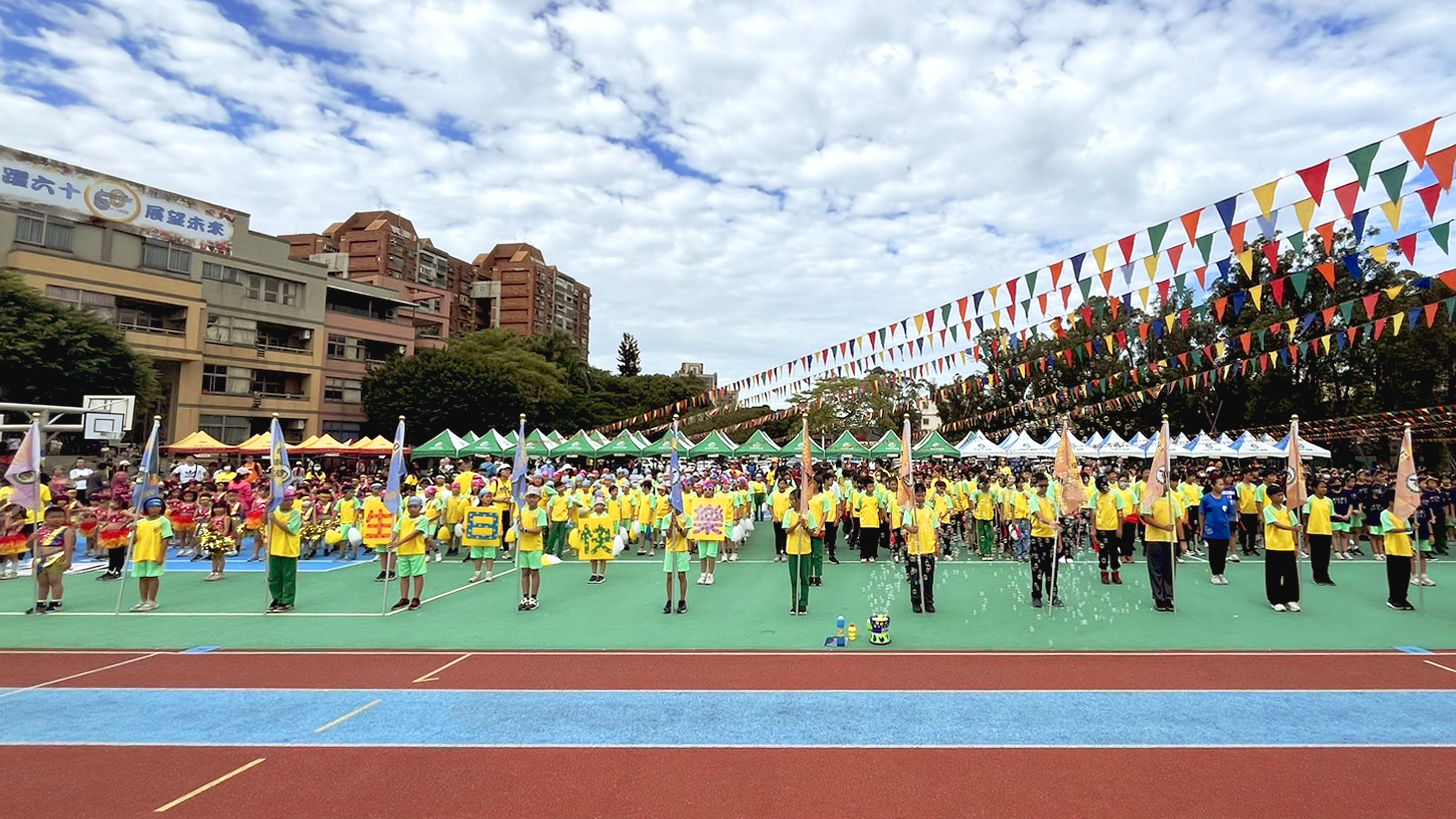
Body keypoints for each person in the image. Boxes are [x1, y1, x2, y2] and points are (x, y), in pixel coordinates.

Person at [388, 495, 433, 611]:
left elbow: (416, 533)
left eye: (415, 506)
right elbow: (396, 530)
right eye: (410, 506)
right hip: (403, 552)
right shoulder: (403, 519)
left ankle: (416, 598)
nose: (412, 509)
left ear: (420, 507)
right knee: (404, 576)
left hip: (416, 551)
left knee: (417, 575)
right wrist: (391, 541)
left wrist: (398, 542)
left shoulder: (423, 520)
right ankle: (404, 598)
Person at [1262, 486, 1302, 612]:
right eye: (1278, 495)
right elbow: (1276, 524)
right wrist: (1292, 529)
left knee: (1290, 574)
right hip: (1274, 546)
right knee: (1274, 574)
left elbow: (1295, 525)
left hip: (1288, 546)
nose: (1281, 497)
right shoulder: (1268, 510)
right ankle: (1275, 600)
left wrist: (1296, 544)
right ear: (1270, 496)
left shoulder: (1288, 510)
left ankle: (1290, 599)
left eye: (1282, 495)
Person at [901, 482, 939, 614]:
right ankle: (916, 602)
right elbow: (905, 524)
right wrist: (912, 529)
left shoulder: (930, 510)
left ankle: (929, 602)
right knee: (915, 579)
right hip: (914, 550)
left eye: (923, 495)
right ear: (913, 496)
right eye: (918, 496)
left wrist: (936, 545)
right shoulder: (910, 510)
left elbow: (935, 528)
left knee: (929, 579)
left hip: (928, 549)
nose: (921, 498)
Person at [129, 497, 172, 612]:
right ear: (147, 508)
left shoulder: (163, 521)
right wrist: (132, 531)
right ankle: (143, 600)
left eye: (158, 506)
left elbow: (166, 539)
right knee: (142, 577)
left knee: (152, 576)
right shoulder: (139, 523)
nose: (155, 509)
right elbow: (133, 541)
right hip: (141, 553)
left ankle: (151, 600)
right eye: (152, 506)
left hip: (154, 553)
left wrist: (161, 555)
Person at [30, 505, 75, 613]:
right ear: (45, 518)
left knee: (55, 581)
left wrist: (68, 561)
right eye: (53, 517)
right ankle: (41, 602)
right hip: (40, 559)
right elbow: (30, 546)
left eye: (60, 517)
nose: (56, 519)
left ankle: (56, 602)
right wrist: (31, 539)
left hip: (57, 557)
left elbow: (68, 547)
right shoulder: (39, 530)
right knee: (42, 582)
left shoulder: (66, 531)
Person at [1026, 474, 1062, 608]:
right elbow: (1039, 515)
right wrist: (1051, 522)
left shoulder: (1051, 500)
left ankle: (1053, 596)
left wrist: (1059, 540)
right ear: (1036, 485)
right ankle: (1036, 596)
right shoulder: (1033, 499)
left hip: (1051, 538)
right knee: (1037, 570)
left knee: (1052, 570)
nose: (1044, 488)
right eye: (1041, 486)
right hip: (1037, 538)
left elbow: (1057, 521)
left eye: (1046, 485)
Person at [1142, 485, 1179, 612]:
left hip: (1170, 539)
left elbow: (1178, 520)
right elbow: (1147, 518)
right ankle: (1159, 598)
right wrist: (1163, 527)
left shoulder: (1172, 499)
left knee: (1169, 569)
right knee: (1156, 569)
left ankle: (1168, 597)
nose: (1167, 485)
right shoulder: (1148, 499)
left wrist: (1183, 540)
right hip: (1154, 539)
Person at [267, 489, 303, 613]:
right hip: (274, 548)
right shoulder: (273, 511)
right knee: (273, 577)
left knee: (288, 577)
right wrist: (267, 508)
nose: (289, 502)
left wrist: (274, 520)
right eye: (286, 500)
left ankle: (287, 601)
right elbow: (263, 522)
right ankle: (276, 598)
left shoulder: (295, 514)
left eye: (291, 500)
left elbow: (290, 529)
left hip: (289, 548)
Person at [782, 487, 816, 615]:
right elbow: (787, 530)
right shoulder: (788, 514)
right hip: (792, 550)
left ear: (798, 500)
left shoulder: (808, 514)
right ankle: (794, 603)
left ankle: (803, 604)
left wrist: (805, 525)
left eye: (793, 499)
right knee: (794, 578)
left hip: (805, 550)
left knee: (804, 578)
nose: (791, 502)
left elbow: (812, 532)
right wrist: (797, 523)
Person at [1199, 475, 1235, 585]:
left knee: (1223, 552)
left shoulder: (1225, 499)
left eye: (1223, 484)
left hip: (1224, 529)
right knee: (1214, 552)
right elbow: (1201, 514)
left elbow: (1230, 513)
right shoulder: (1206, 499)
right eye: (1219, 484)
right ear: (1213, 485)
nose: (1222, 486)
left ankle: (1221, 574)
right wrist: (1202, 528)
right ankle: (1215, 574)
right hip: (1211, 529)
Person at [1380, 501, 1416, 610]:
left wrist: (1412, 547)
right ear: (1390, 502)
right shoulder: (1385, 514)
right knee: (1395, 576)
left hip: (1404, 549)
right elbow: (1390, 529)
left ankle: (1402, 599)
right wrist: (1409, 529)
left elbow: (1408, 534)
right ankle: (1393, 599)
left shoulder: (1402, 515)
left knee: (1405, 576)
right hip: (1393, 549)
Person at [1090, 475, 1125, 585]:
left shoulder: (1115, 494)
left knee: (1115, 552)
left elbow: (1120, 512)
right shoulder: (1095, 496)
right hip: (1101, 528)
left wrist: (1120, 528)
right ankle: (1104, 573)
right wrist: (1093, 529)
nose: (1103, 489)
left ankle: (1115, 573)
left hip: (1113, 528)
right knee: (1103, 552)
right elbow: (1093, 513)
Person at [517, 487, 547, 611]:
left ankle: (534, 597)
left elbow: (538, 530)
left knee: (534, 572)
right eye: (529, 496)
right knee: (525, 572)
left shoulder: (541, 512)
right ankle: (525, 597)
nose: (531, 499)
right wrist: (518, 525)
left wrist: (524, 530)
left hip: (535, 546)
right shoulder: (522, 511)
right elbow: (517, 526)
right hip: (523, 546)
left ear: (539, 499)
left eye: (534, 497)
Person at [577, 494, 616, 584]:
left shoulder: (606, 516)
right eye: (597, 505)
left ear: (603, 506)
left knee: (603, 557)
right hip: (593, 539)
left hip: (603, 539)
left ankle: (601, 574)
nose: (599, 506)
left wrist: (612, 535)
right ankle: (594, 573)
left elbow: (610, 527)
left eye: (601, 505)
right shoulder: (591, 516)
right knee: (593, 557)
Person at [1304, 481, 1335, 586]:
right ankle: (1317, 576)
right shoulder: (1309, 500)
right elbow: (1306, 516)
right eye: (1321, 487)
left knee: (1325, 556)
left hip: (1326, 531)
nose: (1324, 489)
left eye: (1325, 487)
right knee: (1316, 555)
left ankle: (1325, 576)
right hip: (1314, 530)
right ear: (1315, 488)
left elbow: (1330, 515)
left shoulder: (1329, 501)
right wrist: (1305, 531)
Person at [662, 504, 691, 614]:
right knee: (670, 576)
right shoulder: (666, 518)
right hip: (670, 549)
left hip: (682, 549)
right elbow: (668, 536)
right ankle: (669, 601)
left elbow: (684, 535)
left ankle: (682, 601)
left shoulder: (687, 518)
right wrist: (671, 524)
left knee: (681, 575)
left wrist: (678, 526)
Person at [198, 498, 235, 581]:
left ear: (225, 508)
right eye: (215, 508)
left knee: (220, 556)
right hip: (213, 538)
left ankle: (220, 572)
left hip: (221, 539)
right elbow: (209, 527)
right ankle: (214, 571)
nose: (217, 510)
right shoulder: (212, 518)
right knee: (214, 556)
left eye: (220, 507)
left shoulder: (226, 518)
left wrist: (221, 538)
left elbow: (226, 529)